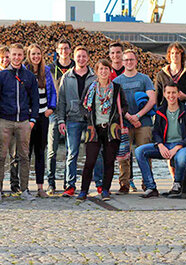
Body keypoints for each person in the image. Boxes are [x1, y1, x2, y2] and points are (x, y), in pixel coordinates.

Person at [135, 82, 186, 198]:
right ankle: (151, 187)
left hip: (183, 146)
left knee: (181, 159)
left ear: (178, 94)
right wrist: (160, 145)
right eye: (169, 93)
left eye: (174, 93)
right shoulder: (160, 111)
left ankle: (177, 185)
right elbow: (156, 132)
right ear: (165, 94)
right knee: (139, 151)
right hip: (165, 145)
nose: (171, 96)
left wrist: (177, 147)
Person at [0, 43, 40, 201]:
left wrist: (32, 119)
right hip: (5, 121)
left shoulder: (29, 76)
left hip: (23, 122)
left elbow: (35, 99)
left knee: (24, 156)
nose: (16, 57)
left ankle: (25, 189)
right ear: (9, 55)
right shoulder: (1, 76)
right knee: (0, 156)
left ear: (23, 56)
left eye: (20, 55)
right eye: (14, 55)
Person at [78, 59, 127, 201]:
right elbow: (82, 106)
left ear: (110, 71)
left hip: (111, 128)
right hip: (93, 127)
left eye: (106, 69)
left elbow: (124, 105)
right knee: (90, 161)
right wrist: (87, 115)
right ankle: (83, 190)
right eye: (101, 69)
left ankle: (105, 189)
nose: (103, 72)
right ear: (96, 71)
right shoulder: (91, 87)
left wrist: (118, 115)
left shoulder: (116, 88)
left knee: (109, 161)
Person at [113, 49, 157, 194]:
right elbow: (115, 103)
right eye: (126, 60)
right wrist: (128, 117)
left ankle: (147, 183)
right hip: (124, 123)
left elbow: (152, 100)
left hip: (143, 123)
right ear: (122, 62)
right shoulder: (117, 81)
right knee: (123, 155)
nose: (129, 62)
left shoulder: (144, 79)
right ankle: (124, 184)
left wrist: (137, 116)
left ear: (136, 61)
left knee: (145, 153)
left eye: (131, 59)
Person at [57, 46, 96, 198]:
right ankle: (69, 185)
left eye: (84, 56)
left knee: (94, 153)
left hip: (91, 120)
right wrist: (61, 120)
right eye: (78, 56)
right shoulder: (67, 77)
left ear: (88, 58)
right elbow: (61, 101)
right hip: (72, 119)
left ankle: (98, 184)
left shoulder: (94, 76)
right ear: (74, 57)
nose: (81, 59)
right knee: (71, 153)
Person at [26, 44, 57, 198]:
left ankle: (40, 187)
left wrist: (51, 108)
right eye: (33, 54)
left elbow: (52, 92)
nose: (36, 57)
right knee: (26, 153)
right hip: (28, 118)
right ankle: (23, 186)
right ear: (29, 55)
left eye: (38, 54)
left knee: (40, 152)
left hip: (43, 117)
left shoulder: (46, 71)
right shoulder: (25, 71)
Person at [46, 38, 75, 195]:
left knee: (71, 150)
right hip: (55, 113)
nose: (64, 51)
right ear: (57, 51)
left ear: (70, 50)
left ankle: (68, 183)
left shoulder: (76, 67)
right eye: (61, 48)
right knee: (52, 150)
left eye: (66, 48)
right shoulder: (50, 69)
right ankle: (51, 183)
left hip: (72, 113)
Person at [0, 45, 20, 193]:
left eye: (7, 57)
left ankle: (14, 183)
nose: (5, 60)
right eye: (2, 57)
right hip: (0, 119)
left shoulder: (16, 74)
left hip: (15, 119)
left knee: (15, 154)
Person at [155, 42, 186, 106]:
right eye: (172, 53)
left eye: (177, 53)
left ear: (182, 55)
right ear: (169, 55)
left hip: (185, 110)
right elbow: (157, 96)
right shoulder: (161, 75)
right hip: (166, 110)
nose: (174, 55)